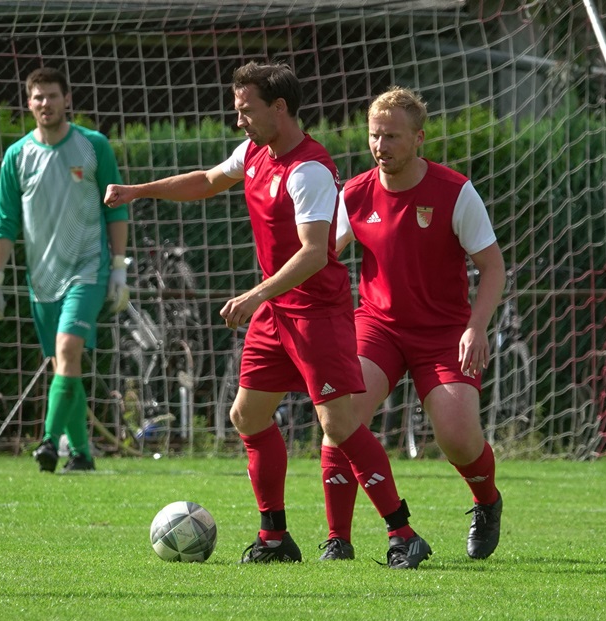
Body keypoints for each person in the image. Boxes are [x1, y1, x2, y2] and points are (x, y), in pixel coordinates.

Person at [103, 62, 431, 569]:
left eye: (246, 110)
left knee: (340, 424)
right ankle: (274, 537)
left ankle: (403, 533)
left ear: (279, 108)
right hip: (276, 312)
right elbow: (207, 180)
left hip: (317, 313)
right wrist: (138, 191)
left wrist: (255, 295)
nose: (239, 121)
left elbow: (315, 253)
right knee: (247, 415)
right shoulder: (255, 151)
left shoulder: (309, 170)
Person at [320, 87, 506, 562]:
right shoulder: (354, 194)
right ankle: (338, 539)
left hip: (444, 334)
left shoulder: (454, 191)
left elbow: (493, 267)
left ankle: (487, 501)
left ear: (419, 138)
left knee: (458, 437)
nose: (380, 146)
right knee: (340, 417)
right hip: (377, 326)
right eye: (374, 136)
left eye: (392, 137)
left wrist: (477, 326)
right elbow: (321, 259)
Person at [0, 67, 130, 473]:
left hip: (88, 269)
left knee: (67, 350)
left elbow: (116, 208)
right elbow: (4, 221)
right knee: (65, 363)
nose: (45, 103)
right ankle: (82, 454)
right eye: (38, 97)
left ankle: (49, 441)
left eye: (52, 95)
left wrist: (119, 268)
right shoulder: (17, 156)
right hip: (42, 279)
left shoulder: (93, 145)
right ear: (29, 103)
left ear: (67, 99)